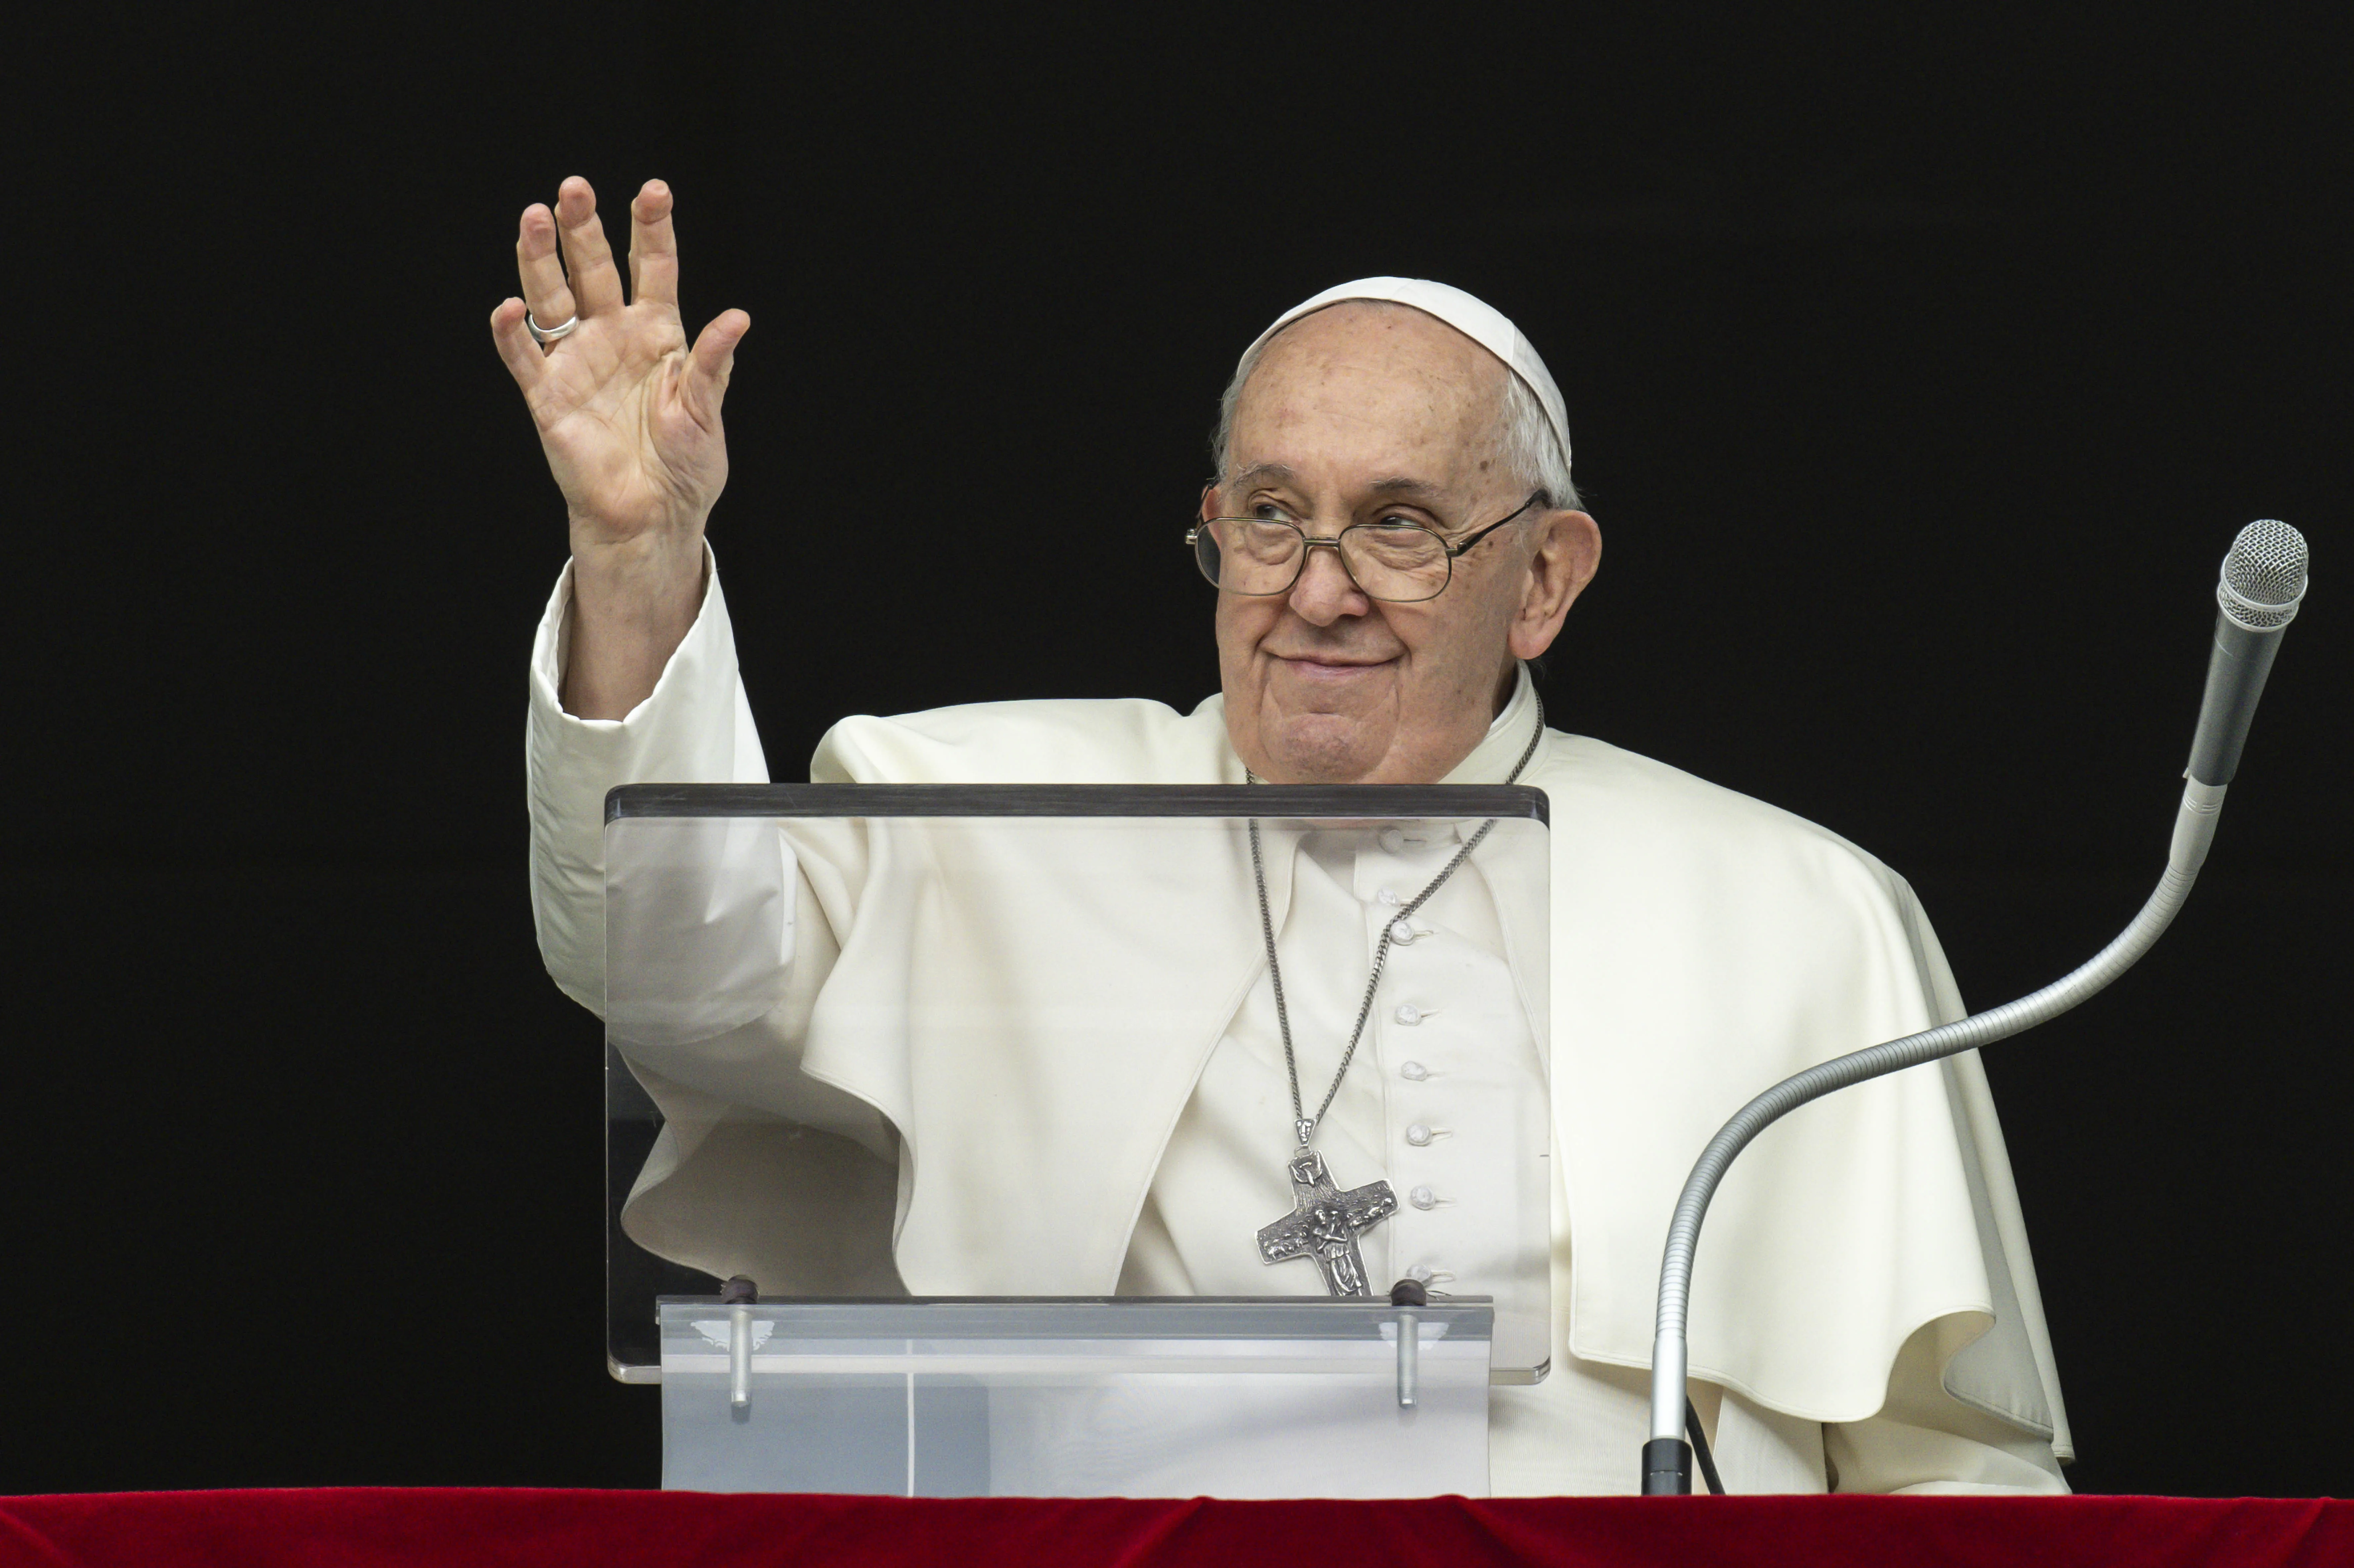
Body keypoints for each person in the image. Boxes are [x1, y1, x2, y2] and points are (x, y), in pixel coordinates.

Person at [497, 176, 2073, 1495]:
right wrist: (639, 560)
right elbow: (661, 965)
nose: (1316, 588)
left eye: (1396, 524)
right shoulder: (986, 815)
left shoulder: (1794, 907)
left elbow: (1951, 1472)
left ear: (1543, 580)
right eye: (1268, 515)